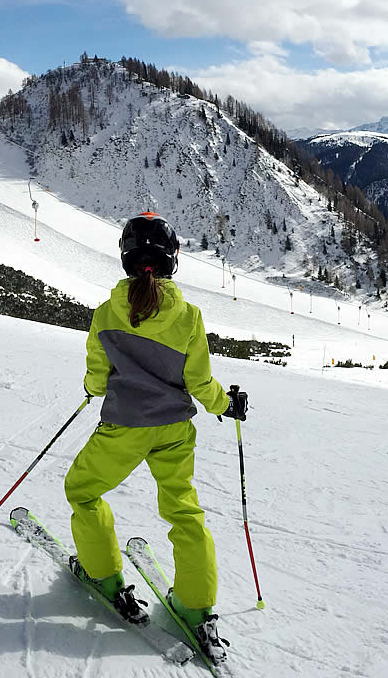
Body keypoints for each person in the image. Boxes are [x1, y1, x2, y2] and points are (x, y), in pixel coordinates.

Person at [68, 213, 245, 659]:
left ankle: (103, 576)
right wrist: (228, 405)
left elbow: (97, 374)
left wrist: (94, 390)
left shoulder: (107, 313)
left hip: (124, 427)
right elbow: (201, 382)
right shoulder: (187, 316)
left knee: (83, 491)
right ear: (172, 261)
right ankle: (196, 605)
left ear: (127, 258)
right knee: (184, 512)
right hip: (173, 429)